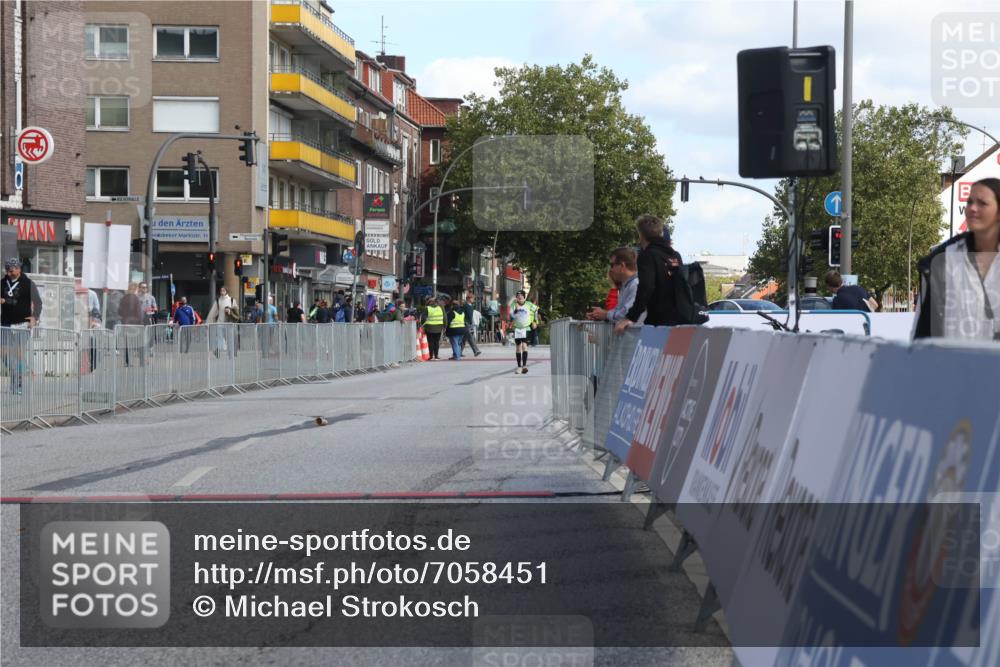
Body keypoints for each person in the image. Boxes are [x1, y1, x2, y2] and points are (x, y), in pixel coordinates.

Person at [914, 177, 1000, 340]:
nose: (972, 208)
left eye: (982, 203)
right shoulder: (944, 259)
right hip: (954, 362)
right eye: (969, 202)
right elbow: (924, 327)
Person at [614, 214, 684, 335]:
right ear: (660, 232)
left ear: (640, 235)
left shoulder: (648, 255)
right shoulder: (675, 255)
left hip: (658, 322)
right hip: (679, 321)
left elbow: (646, 288)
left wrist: (631, 317)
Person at [1, 258, 35, 394]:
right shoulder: (3, 283)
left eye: (11, 270)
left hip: (22, 324)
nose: (9, 273)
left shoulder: (27, 284)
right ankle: (15, 373)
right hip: (6, 324)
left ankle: (18, 384)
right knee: (3, 353)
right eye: (7, 270)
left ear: (18, 269)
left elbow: (36, 302)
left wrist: (34, 318)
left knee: (19, 354)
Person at [589, 247, 642, 323]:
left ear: (622, 266)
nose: (611, 269)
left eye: (612, 265)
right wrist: (600, 314)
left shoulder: (636, 284)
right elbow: (619, 311)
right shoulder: (627, 285)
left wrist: (606, 314)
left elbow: (628, 313)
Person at [509, 290, 534, 373]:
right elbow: (511, 317)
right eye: (518, 296)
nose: (519, 297)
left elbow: (536, 311)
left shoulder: (529, 304)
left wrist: (535, 321)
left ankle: (524, 366)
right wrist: (516, 309)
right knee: (518, 347)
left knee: (524, 346)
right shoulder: (513, 305)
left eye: (521, 296)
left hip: (525, 328)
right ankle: (519, 367)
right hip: (517, 328)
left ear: (524, 297)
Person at [420, 296, 445, 360]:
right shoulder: (441, 308)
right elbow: (445, 318)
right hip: (439, 327)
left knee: (430, 342)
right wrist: (444, 326)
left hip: (429, 327)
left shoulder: (427, 308)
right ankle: (436, 356)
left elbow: (423, 318)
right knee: (436, 342)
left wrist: (422, 325)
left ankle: (431, 356)